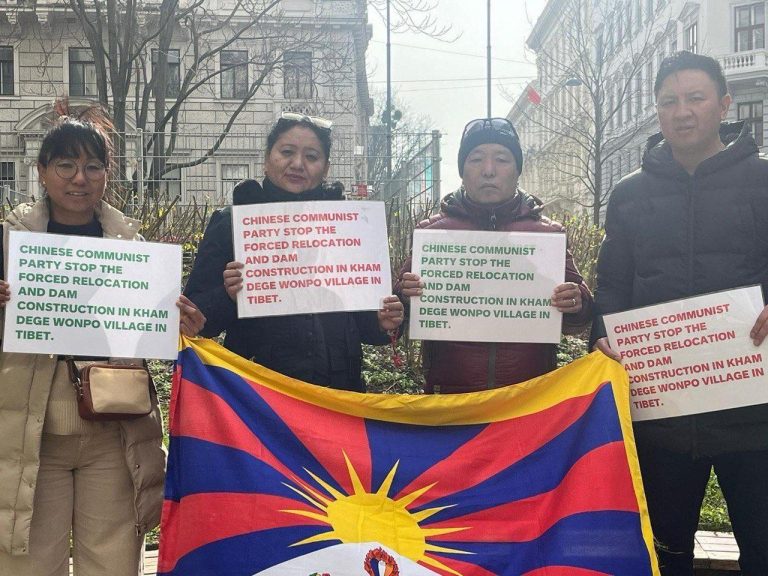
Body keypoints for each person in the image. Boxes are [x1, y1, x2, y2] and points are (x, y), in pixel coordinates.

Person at [0, 104, 205, 576]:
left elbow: (146, 335)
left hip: (114, 434)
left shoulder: (133, 248)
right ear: (42, 171)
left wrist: (182, 325)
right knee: (31, 565)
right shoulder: (9, 244)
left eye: (93, 166)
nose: (80, 178)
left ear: (107, 174)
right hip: (32, 436)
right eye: (66, 165)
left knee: (112, 563)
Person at [591, 51, 768, 575]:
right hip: (662, 411)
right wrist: (604, 334)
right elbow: (613, 282)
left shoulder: (763, 182)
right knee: (664, 553)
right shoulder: (628, 195)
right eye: (669, 101)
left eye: (695, 98)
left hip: (754, 413)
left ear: (724, 104)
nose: (682, 111)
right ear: (657, 111)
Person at [184, 113, 404, 392]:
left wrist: (382, 321)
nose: (298, 164)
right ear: (267, 159)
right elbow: (196, 320)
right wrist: (228, 296)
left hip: (339, 395)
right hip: (261, 398)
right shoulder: (232, 224)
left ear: (325, 168)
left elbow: (363, 325)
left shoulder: (348, 228)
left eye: (312, 156)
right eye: (287, 152)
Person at [397, 117, 593, 394]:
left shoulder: (547, 236)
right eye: (476, 159)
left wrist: (575, 302)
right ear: (462, 170)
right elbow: (392, 318)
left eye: (501, 159)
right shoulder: (432, 234)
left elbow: (580, 320)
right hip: (452, 399)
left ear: (517, 170)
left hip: (527, 398)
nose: (488, 170)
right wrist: (405, 295)